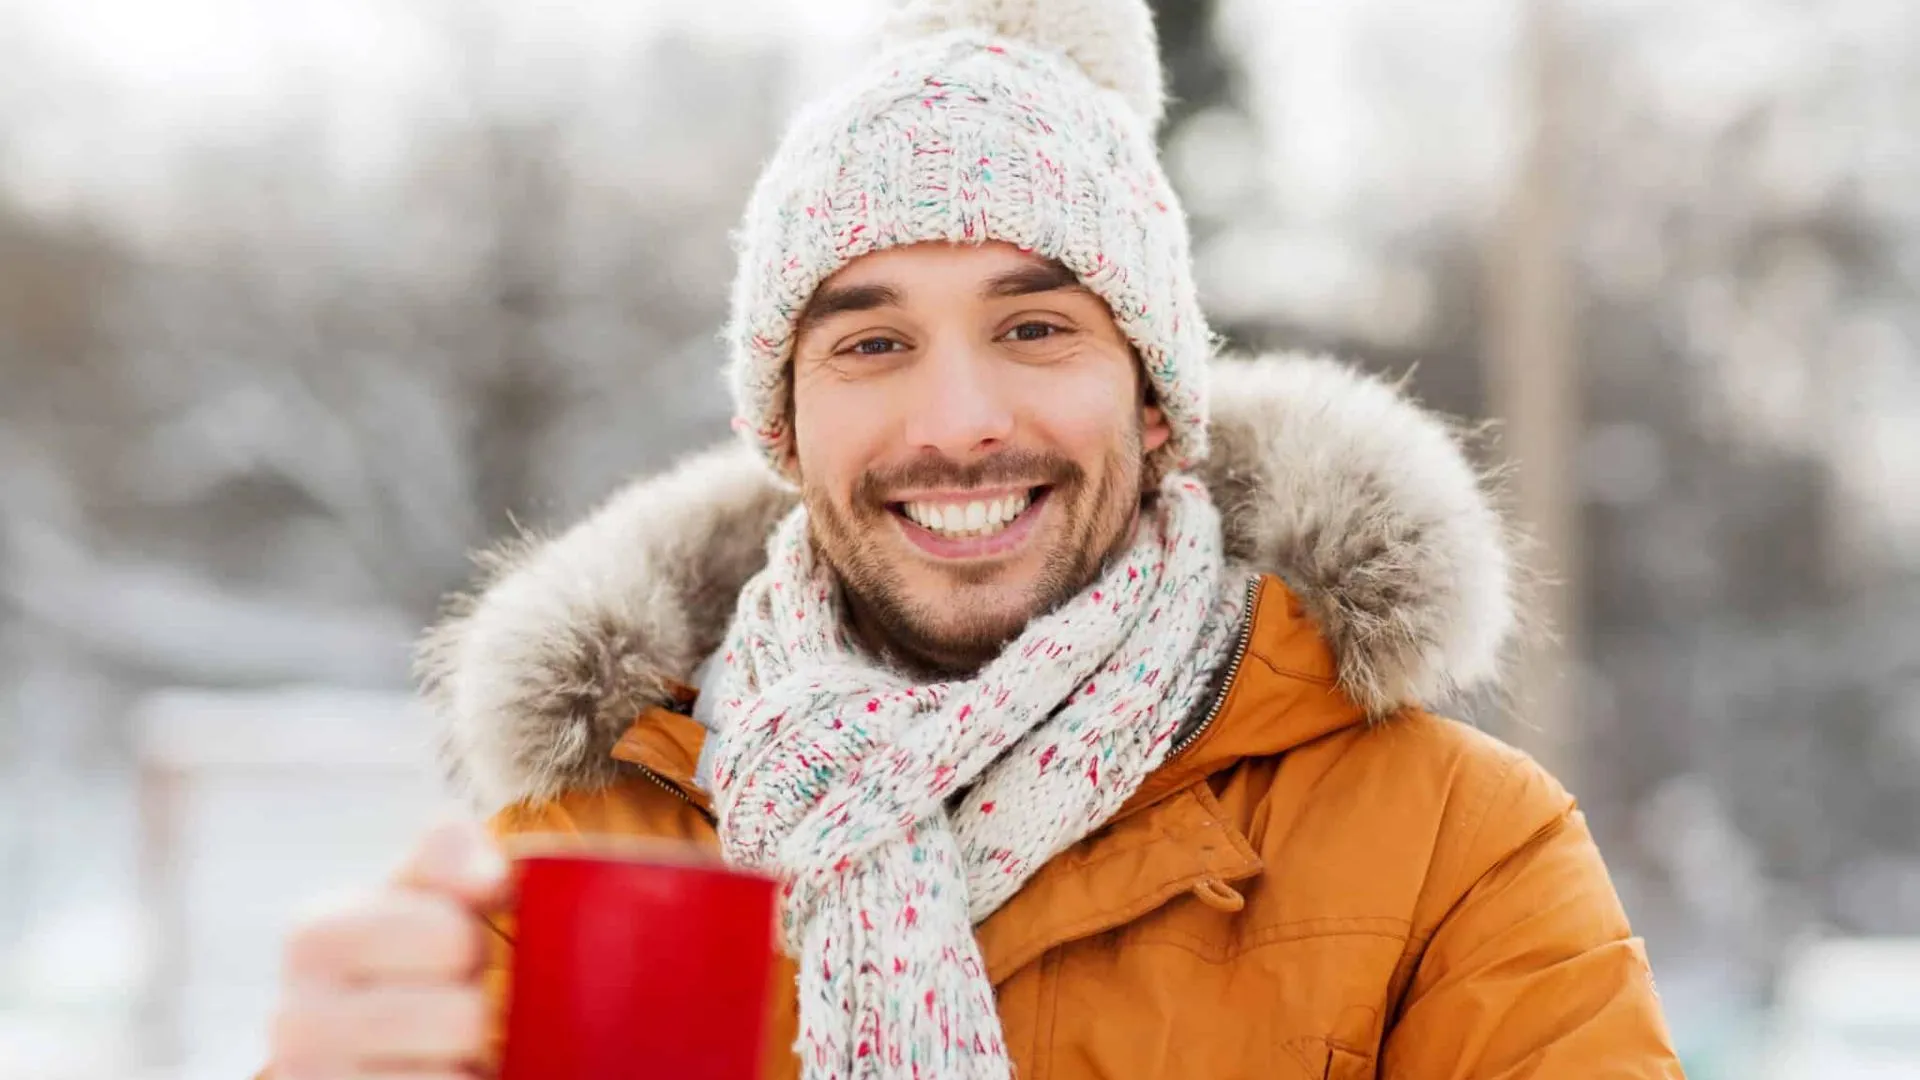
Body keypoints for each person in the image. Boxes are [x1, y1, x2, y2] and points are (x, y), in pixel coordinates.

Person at [266, 0, 1685, 1076]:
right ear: (785, 426)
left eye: (1036, 328)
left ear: (1157, 399)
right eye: (871, 342)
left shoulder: (1455, 851)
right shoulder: (578, 868)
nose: (956, 423)